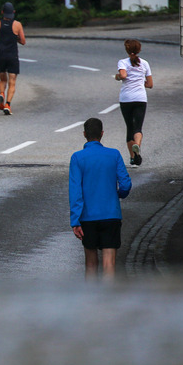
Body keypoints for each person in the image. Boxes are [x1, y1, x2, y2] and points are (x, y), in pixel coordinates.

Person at [69, 118, 132, 279]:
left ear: (84, 134)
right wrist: (117, 194)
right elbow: (125, 184)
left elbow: (75, 191)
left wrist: (75, 220)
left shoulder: (77, 158)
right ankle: (108, 301)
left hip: (88, 217)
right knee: (109, 263)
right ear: (102, 134)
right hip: (111, 214)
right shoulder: (114, 155)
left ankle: (91, 301)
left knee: (90, 263)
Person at [115, 39, 154, 166]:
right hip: (140, 98)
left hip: (126, 99)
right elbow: (150, 84)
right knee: (138, 127)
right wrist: (139, 82)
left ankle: (132, 158)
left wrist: (118, 76)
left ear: (127, 50)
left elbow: (124, 75)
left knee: (129, 127)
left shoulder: (123, 62)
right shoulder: (145, 63)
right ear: (139, 50)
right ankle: (137, 145)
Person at [0, 2, 26, 116]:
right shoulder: (17, 24)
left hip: (0, 54)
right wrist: (14, 37)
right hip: (12, 56)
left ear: (2, 12)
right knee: (12, 82)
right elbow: (23, 41)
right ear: (13, 12)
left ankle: (1, 93)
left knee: (3, 80)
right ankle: (7, 104)